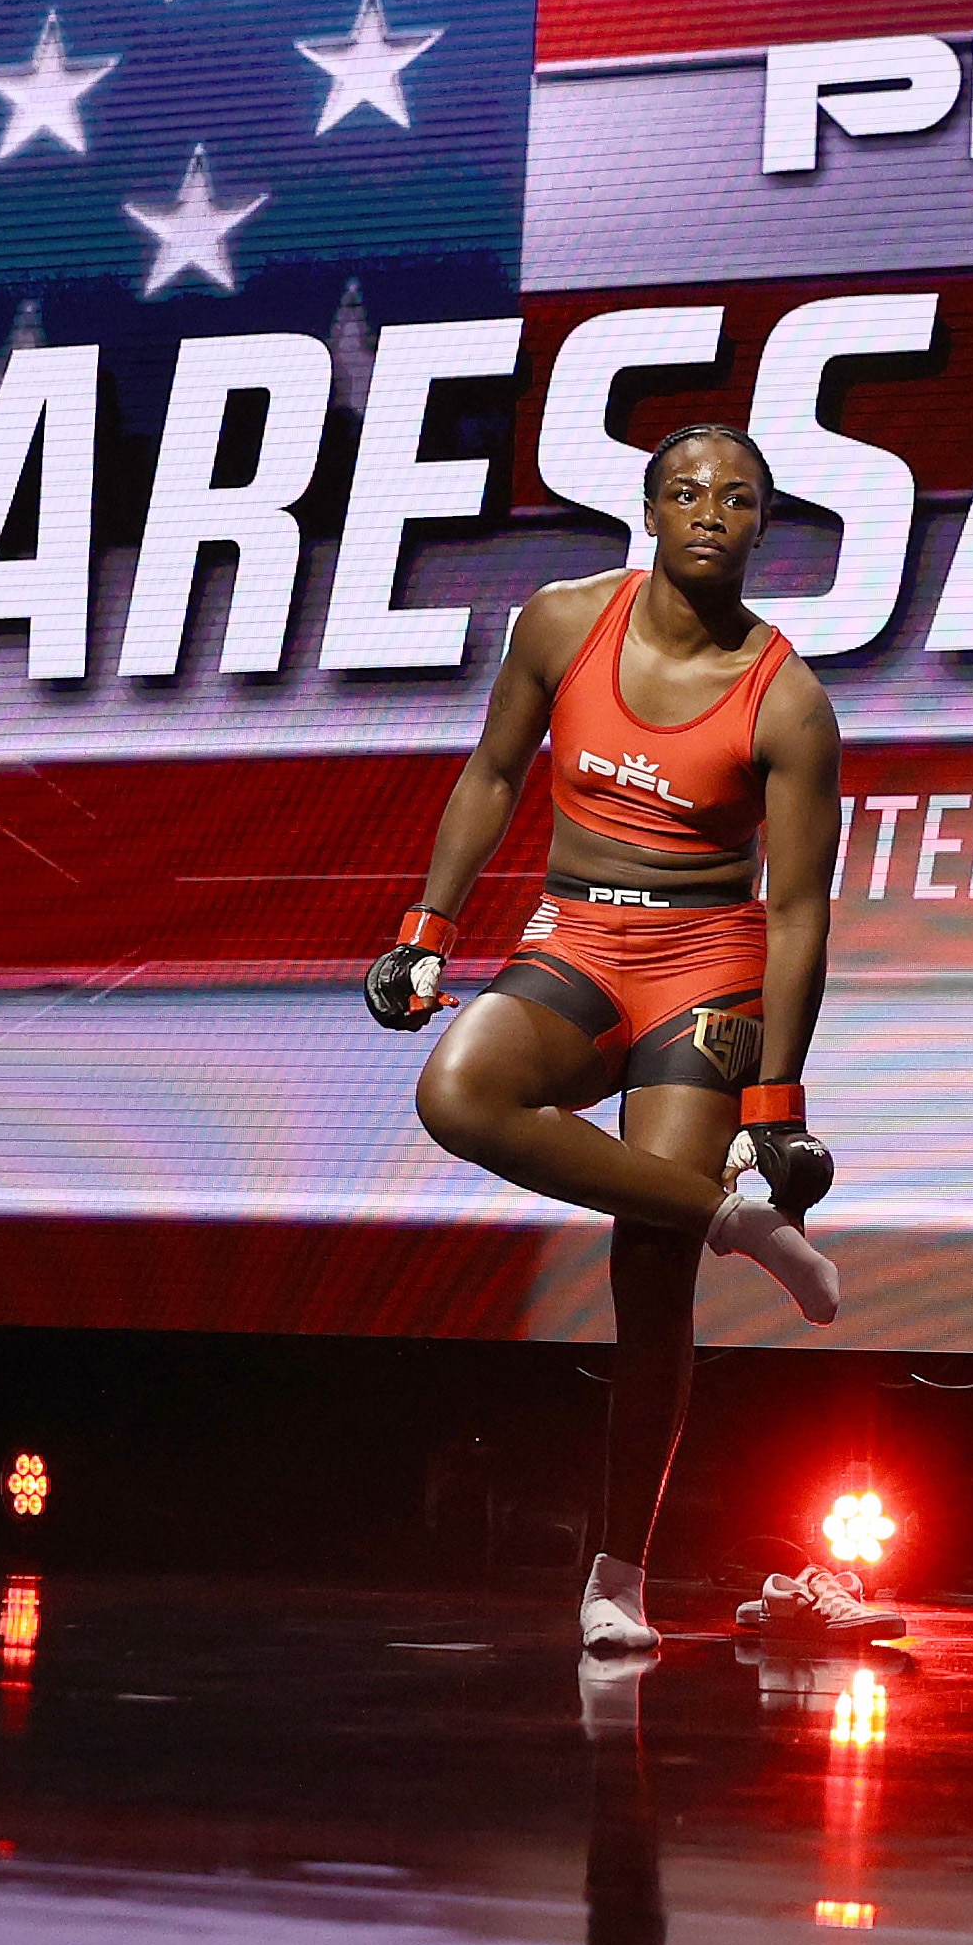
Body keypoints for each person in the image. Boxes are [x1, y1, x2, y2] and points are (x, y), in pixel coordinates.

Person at [358, 422, 885, 1658]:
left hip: (707, 965)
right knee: (457, 1095)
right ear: (649, 511)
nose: (710, 512)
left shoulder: (789, 700)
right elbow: (494, 772)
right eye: (686, 492)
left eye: (737, 499)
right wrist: (428, 927)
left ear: (763, 527)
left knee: (650, 1283)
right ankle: (736, 1224)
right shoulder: (560, 622)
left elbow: (799, 914)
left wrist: (778, 1104)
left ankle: (618, 1576)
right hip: (581, 938)